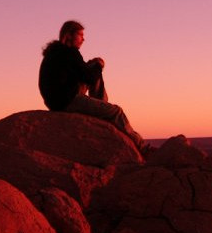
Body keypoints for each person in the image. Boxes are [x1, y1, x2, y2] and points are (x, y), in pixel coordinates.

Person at [38, 20, 148, 153]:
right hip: (66, 100)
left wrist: (94, 65)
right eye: (80, 35)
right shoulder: (69, 52)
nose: (83, 39)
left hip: (56, 99)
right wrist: (99, 65)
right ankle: (142, 147)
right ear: (69, 35)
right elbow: (89, 77)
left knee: (94, 67)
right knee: (116, 111)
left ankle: (100, 105)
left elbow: (83, 72)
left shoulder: (56, 52)